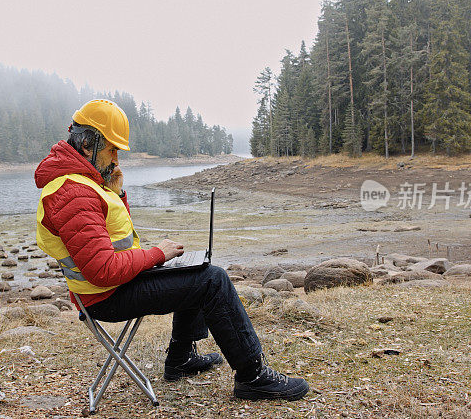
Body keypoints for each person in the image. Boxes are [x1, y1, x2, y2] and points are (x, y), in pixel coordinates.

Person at [34, 99, 309, 401]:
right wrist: (156, 255)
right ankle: (253, 377)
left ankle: (180, 359)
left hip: (111, 288)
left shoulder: (82, 182)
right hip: (106, 297)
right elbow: (101, 269)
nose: (116, 159)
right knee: (212, 281)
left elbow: (109, 233)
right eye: (112, 149)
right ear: (88, 144)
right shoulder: (73, 191)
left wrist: (117, 192)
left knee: (193, 269)